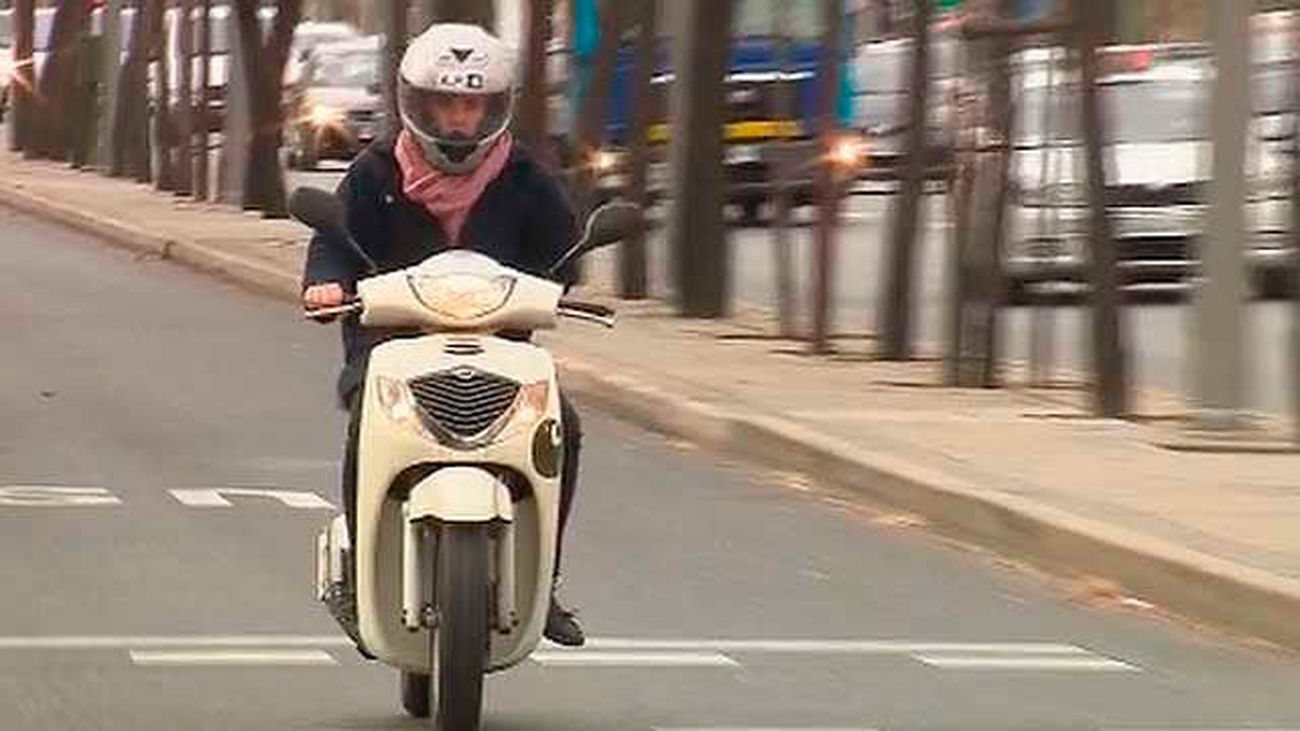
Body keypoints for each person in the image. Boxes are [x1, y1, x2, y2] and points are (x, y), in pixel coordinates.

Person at [301, 23, 586, 648]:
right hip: (391, 349)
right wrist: (325, 282)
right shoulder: (375, 173)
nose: (459, 119)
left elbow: (564, 250)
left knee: (563, 423)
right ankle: (359, 569)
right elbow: (333, 241)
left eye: (472, 105)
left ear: (493, 107)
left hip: (502, 353)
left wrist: (568, 274)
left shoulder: (524, 176)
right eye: (446, 104)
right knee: (364, 426)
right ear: (419, 105)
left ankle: (547, 577)